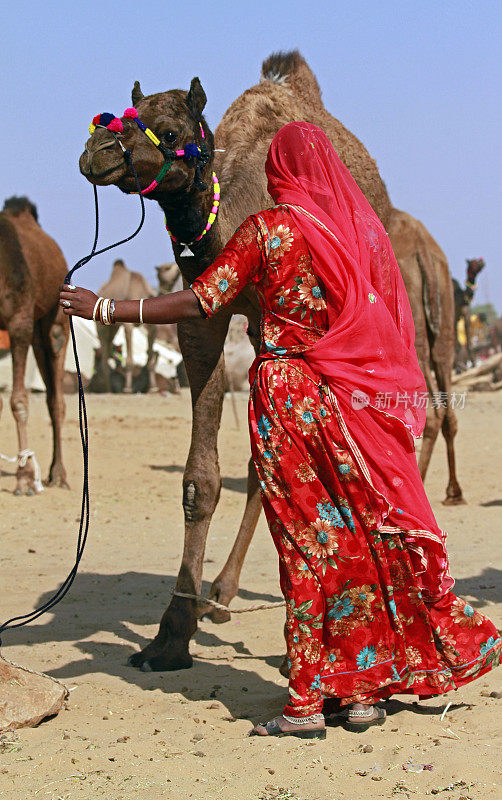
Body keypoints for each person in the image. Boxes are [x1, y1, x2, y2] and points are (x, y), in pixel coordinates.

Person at [60, 122, 500, 739]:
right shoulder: (342, 238)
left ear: (281, 172)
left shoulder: (267, 230)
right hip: (336, 400)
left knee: (302, 543)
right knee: (350, 540)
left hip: (285, 396)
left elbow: (201, 299)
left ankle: (307, 701)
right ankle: (363, 691)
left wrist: (105, 309)